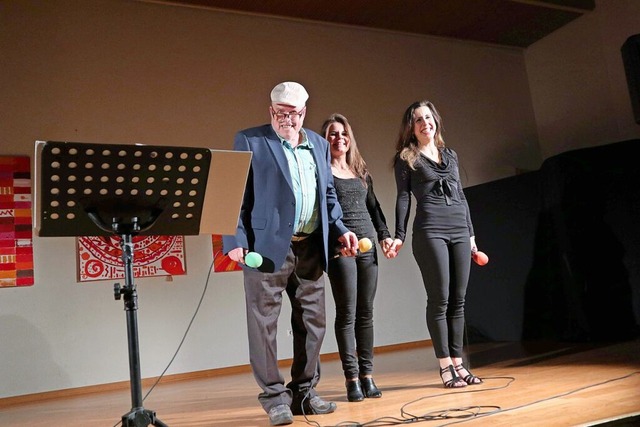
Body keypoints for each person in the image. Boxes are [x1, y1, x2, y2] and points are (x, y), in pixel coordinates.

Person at [222, 82, 358, 426]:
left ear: (304, 113)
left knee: (314, 323)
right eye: (281, 113)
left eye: (294, 114)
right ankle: (274, 397)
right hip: (265, 249)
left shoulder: (318, 143)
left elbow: (328, 196)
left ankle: (304, 393)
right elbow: (234, 197)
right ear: (271, 111)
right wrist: (233, 239)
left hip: (311, 245)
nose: (288, 120)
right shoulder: (251, 140)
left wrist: (341, 230)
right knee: (263, 324)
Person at [387, 100, 483, 389]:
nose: (425, 122)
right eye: (418, 119)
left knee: (459, 300)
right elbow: (403, 198)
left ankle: (459, 364)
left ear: (436, 122)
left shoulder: (450, 155)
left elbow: (462, 197)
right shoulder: (406, 158)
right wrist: (399, 235)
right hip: (431, 230)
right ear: (411, 128)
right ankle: (445, 366)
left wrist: (471, 236)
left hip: (458, 229)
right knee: (440, 299)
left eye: (428, 117)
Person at [320, 114, 393, 402]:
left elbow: (375, 210)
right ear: (325, 141)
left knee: (366, 313)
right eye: (332, 134)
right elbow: (324, 215)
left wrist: (385, 236)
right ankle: (351, 379)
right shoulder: (322, 174)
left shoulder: (361, 172)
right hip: (341, 250)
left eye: (343, 133)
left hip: (368, 249)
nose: (339, 139)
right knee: (347, 314)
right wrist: (336, 241)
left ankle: (368, 375)